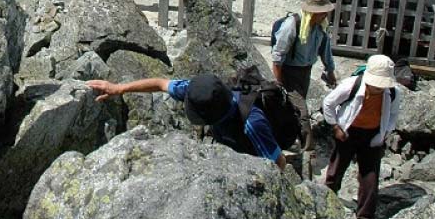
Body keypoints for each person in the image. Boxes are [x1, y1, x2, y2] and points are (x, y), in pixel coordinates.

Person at [87, 74, 287, 170]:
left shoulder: (251, 123)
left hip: (251, 158)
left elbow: (278, 162)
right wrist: (119, 88)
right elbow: (160, 84)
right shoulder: (199, 90)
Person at [323, 54, 402, 219]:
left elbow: (393, 115)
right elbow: (328, 103)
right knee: (337, 166)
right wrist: (336, 127)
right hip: (348, 131)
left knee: (370, 174)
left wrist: (385, 134)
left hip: (373, 134)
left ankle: (365, 215)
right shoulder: (352, 85)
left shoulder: (394, 93)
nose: (378, 88)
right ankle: (326, 198)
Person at [272, 0, 339, 103]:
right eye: (321, 12)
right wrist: (279, 84)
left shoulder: (321, 26)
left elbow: (325, 51)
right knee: (302, 115)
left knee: (296, 108)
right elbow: (277, 56)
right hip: (289, 73)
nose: (325, 15)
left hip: (306, 72)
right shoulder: (292, 25)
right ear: (311, 12)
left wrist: (331, 72)